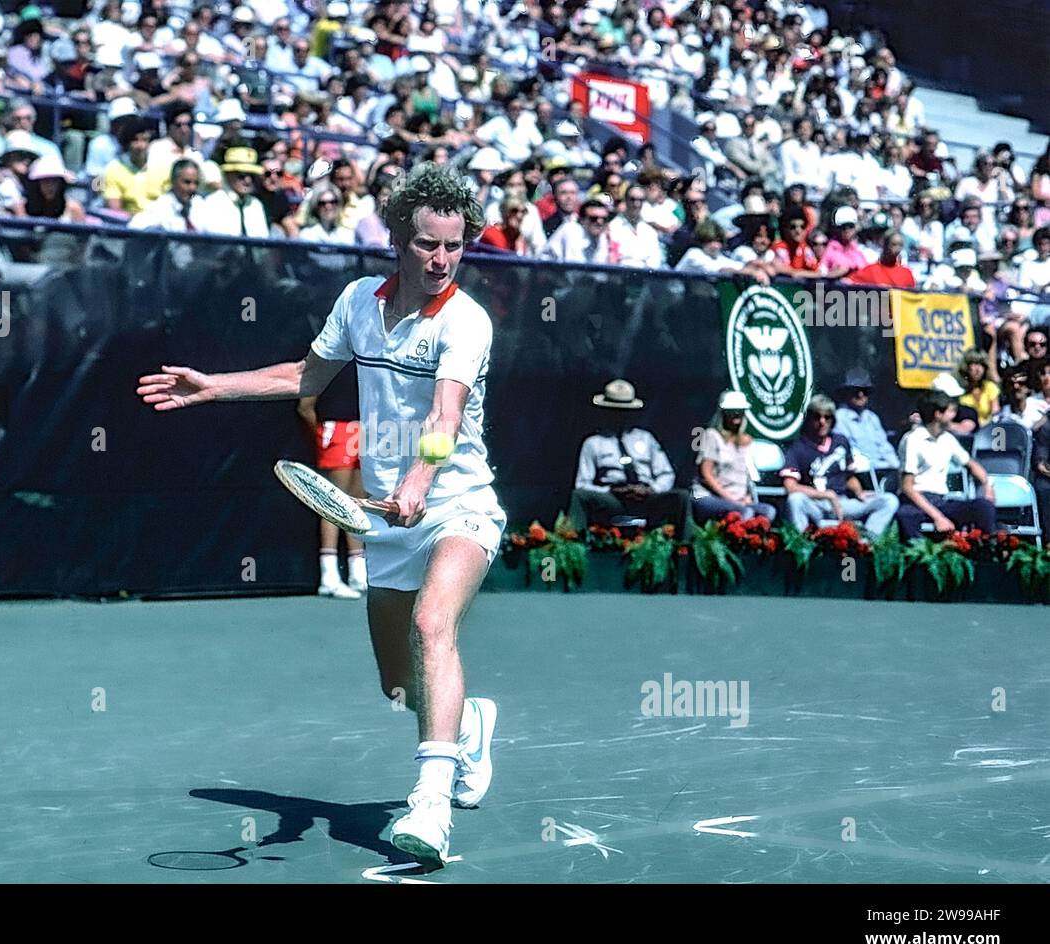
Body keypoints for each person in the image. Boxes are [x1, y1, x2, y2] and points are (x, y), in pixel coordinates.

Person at [137, 163, 504, 864]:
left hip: (458, 504)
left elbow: (444, 414)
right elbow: (306, 375)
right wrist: (214, 386)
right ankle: (468, 726)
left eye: (454, 247)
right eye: (428, 244)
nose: (441, 260)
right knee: (400, 686)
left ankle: (430, 808)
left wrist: (423, 477)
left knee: (435, 624)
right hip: (388, 521)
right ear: (398, 239)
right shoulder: (358, 303)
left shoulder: (466, 320)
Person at [567, 380, 690, 537]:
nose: (620, 416)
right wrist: (611, 491)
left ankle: (685, 549)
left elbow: (666, 474)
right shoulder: (593, 443)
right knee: (579, 496)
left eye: (624, 411)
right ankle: (575, 549)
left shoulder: (646, 439)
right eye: (615, 411)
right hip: (613, 499)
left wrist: (651, 489)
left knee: (682, 497)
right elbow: (582, 483)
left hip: (647, 497)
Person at [296, 360, 367, 600]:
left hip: (365, 429)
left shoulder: (369, 358)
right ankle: (329, 577)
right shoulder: (325, 360)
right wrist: (322, 434)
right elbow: (305, 407)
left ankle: (358, 573)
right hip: (335, 431)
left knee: (357, 502)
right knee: (333, 504)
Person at [780, 396, 900, 539]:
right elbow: (790, 486)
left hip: (843, 502)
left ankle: (865, 544)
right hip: (815, 503)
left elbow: (848, 477)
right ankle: (801, 547)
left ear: (833, 420)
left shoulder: (840, 442)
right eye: (817, 417)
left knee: (889, 500)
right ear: (809, 419)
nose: (822, 422)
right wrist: (827, 495)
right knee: (795, 500)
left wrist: (859, 491)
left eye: (827, 417)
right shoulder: (798, 447)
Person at [896, 389, 998, 539]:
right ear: (938, 414)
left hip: (940, 500)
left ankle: (984, 551)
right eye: (951, 411)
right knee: (906, 516)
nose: (954, 416)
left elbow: (971, 464)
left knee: (983, 507)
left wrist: (987, 485)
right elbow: (907, 487)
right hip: (917, 501)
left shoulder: (947, 438)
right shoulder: (913, 439)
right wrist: (938, 518)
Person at [691, 391, 777, 523]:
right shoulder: (712, 436)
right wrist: (731, 499)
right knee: (744, 513)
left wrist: (747, 496)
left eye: (740, 410)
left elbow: (747, 474)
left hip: (739, 499)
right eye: (732, 411)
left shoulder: (747, 441)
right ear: (724, 413)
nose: (736, 414)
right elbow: (706, 475)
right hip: (710, 496)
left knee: (768, 512)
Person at [833, 368, 899, 476]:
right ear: (847, 392)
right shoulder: (840, 418)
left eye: (864, 391)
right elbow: (847, 451)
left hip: (882, 470)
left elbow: (884, 446)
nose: (860, 395)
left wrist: (897, 467)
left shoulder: (872, 418)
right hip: (860, 473)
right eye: (855, 391)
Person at [192, 145, 269, 238]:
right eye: (242, 175)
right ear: (228, 175)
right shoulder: (214, 202)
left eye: (251, 176)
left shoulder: (255, 204)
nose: (247, 180)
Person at [130, 158, 201, 231]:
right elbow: (134, 228)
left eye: (196, 183)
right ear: (173, 181)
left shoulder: (199, 204)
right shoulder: (160, 208)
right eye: (187, 182)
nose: (193, 188)